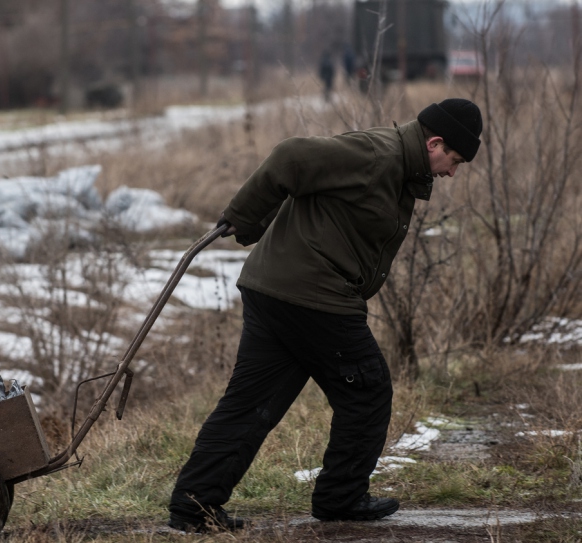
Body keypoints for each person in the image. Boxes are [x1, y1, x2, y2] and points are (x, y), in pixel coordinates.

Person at [167, 99, 483, 532]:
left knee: (251, 404)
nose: (452, 172)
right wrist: (244, 216)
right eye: (455, 159)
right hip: (312, 297)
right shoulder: (378, 155)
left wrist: (256, 224)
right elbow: (291, 157)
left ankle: (194, 506)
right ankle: (341, 497)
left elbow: (309, 190)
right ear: (434, 142)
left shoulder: (397, 167)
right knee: (367, 392)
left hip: (276, 290)